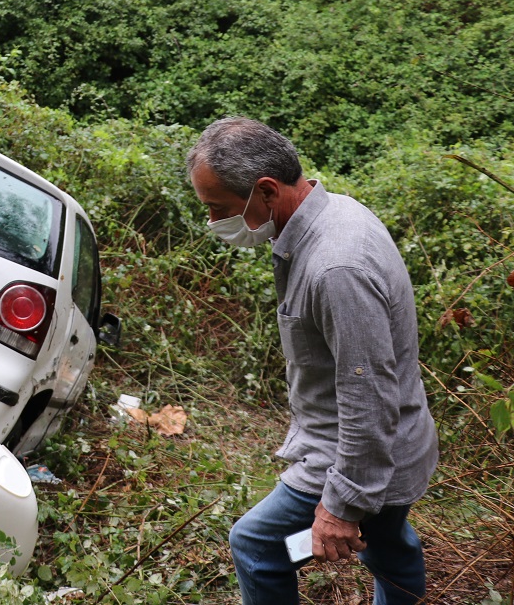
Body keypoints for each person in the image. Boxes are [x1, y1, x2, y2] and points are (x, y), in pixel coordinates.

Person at [186, 117, 438, 605]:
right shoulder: (336, 212)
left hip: (357, 454)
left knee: (259, 546)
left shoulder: (336, 266)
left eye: (219, 210)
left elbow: (369, 393)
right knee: (385, 542)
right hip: (389, 444)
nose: (215, 223)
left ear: (265, 191)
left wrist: (341, 506)